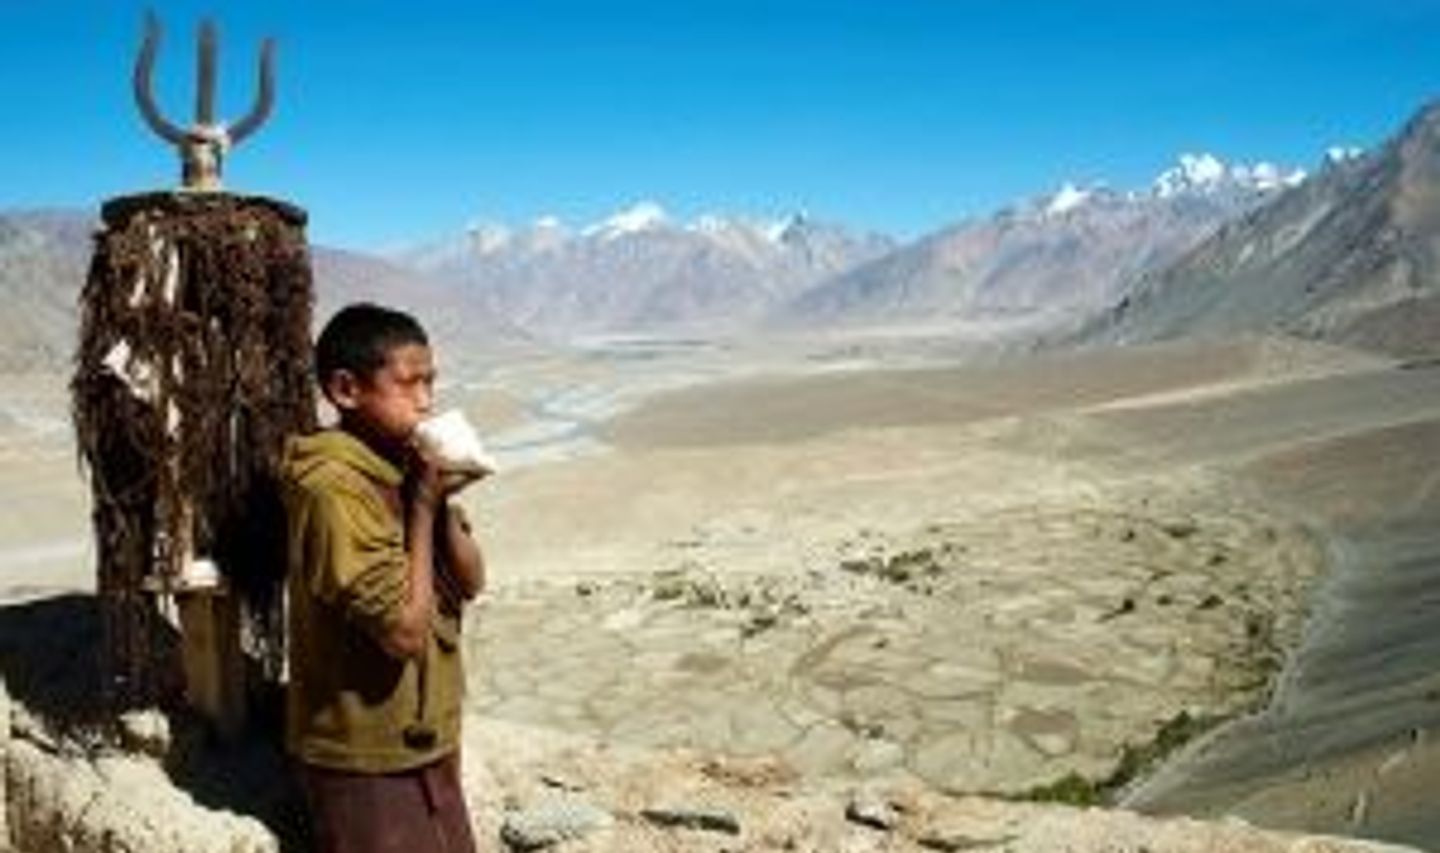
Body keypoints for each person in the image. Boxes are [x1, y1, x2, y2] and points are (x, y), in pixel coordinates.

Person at [281, 302, 485, 853]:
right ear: (346, 390)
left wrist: (440, 508)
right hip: (367, 753)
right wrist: (420, 510)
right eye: (408, 383)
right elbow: (402, 633)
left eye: (431, 382)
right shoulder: (332, 489)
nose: (426, 400)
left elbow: (470, 581)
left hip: (426, 736)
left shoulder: (405, 461)